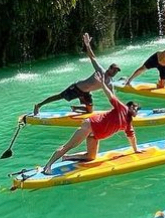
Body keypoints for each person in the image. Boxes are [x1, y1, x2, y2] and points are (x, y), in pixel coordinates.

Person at [42, 34, 139, 171]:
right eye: (135, 108)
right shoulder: (121, 107)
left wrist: (136, 150)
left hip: (95, 133)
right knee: (69, 144)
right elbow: (108, 92)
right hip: (89, 122)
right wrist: (87, 45)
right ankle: (48, 165)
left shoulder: (128, 122)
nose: (136, 111)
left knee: (91, 157)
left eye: (137, 110)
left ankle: (67, 158)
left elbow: (132, 137)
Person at [32, 64, 120, 117]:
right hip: (77, 88)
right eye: (115, 71)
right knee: (59, 96)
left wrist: (117, 109)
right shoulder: (100, 71)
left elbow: (113, 97)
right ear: (110, 68)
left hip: (86, 93)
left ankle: (75, 108)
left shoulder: (109, 83)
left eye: (117, 72)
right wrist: (88, 46)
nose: (115, 73)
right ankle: (39, 105)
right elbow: (92, 57)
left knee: (90, 111)